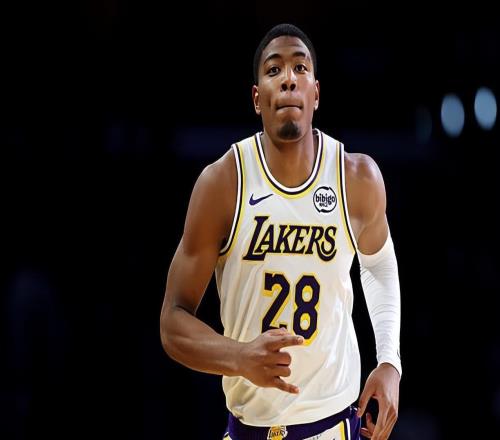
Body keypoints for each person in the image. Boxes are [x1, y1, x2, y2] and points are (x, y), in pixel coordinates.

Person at [160, 23, 402, 440]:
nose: (288, 78)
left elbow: (378, 265)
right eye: (273, 70)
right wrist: (238, 356)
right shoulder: (224, 183)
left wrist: (389, 360)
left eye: (300, 68)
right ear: (257, 98)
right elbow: (172, 322)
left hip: (334, 425)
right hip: (249, 428)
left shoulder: (356, 177)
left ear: (316, 93)